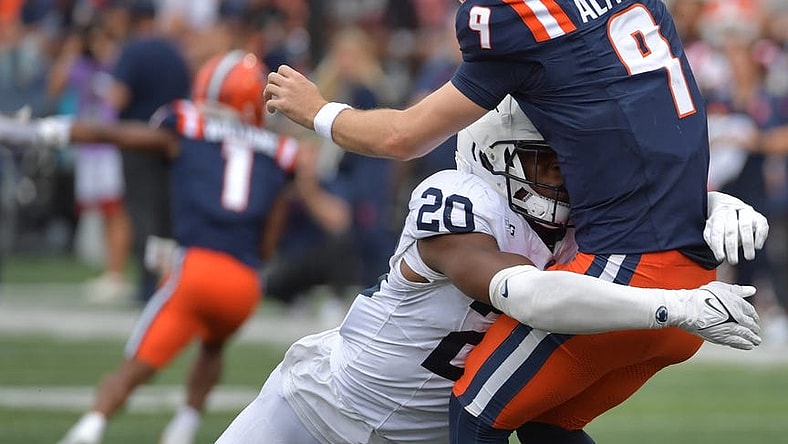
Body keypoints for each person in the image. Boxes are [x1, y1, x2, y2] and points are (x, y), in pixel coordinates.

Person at [263, 1, 770, 441]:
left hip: (420, 421)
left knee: (489, 414)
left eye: (561, 162)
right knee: (524, 419)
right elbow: (529, 291)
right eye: (539, 163)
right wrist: (680, 286)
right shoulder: (459, 197)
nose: (557, 179)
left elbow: (629, 172)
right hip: (335, 402)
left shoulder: (581, 212)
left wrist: (715, 205)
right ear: (490, 156)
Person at [0, 50, 298, 444]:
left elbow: (114, 134)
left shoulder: (186, 126)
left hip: (198, 269)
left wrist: (37, 133)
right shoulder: (279, 154)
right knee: (213, 345)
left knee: (135, 367)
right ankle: (185, 427)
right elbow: (267, 243)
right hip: (244, 284)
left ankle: (88, 429)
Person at [106, 0, 191, 304]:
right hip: (170, 142)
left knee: (142, 214)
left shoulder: (132, 51)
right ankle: (168, 281)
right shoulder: (175, 52)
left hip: (137, 141)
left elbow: (118, 98)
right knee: (166, 215)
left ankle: (147, 286)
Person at [47, 18, 133, 302]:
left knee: (114, 209)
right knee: (101, 210)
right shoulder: (81, 66)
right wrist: (71, 49)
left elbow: (120, 96)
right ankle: (110, 271)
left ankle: (117, 272)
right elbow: (55, 86)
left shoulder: (116, 62)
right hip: (89, 147)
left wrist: (106, 47)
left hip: (109, 144)